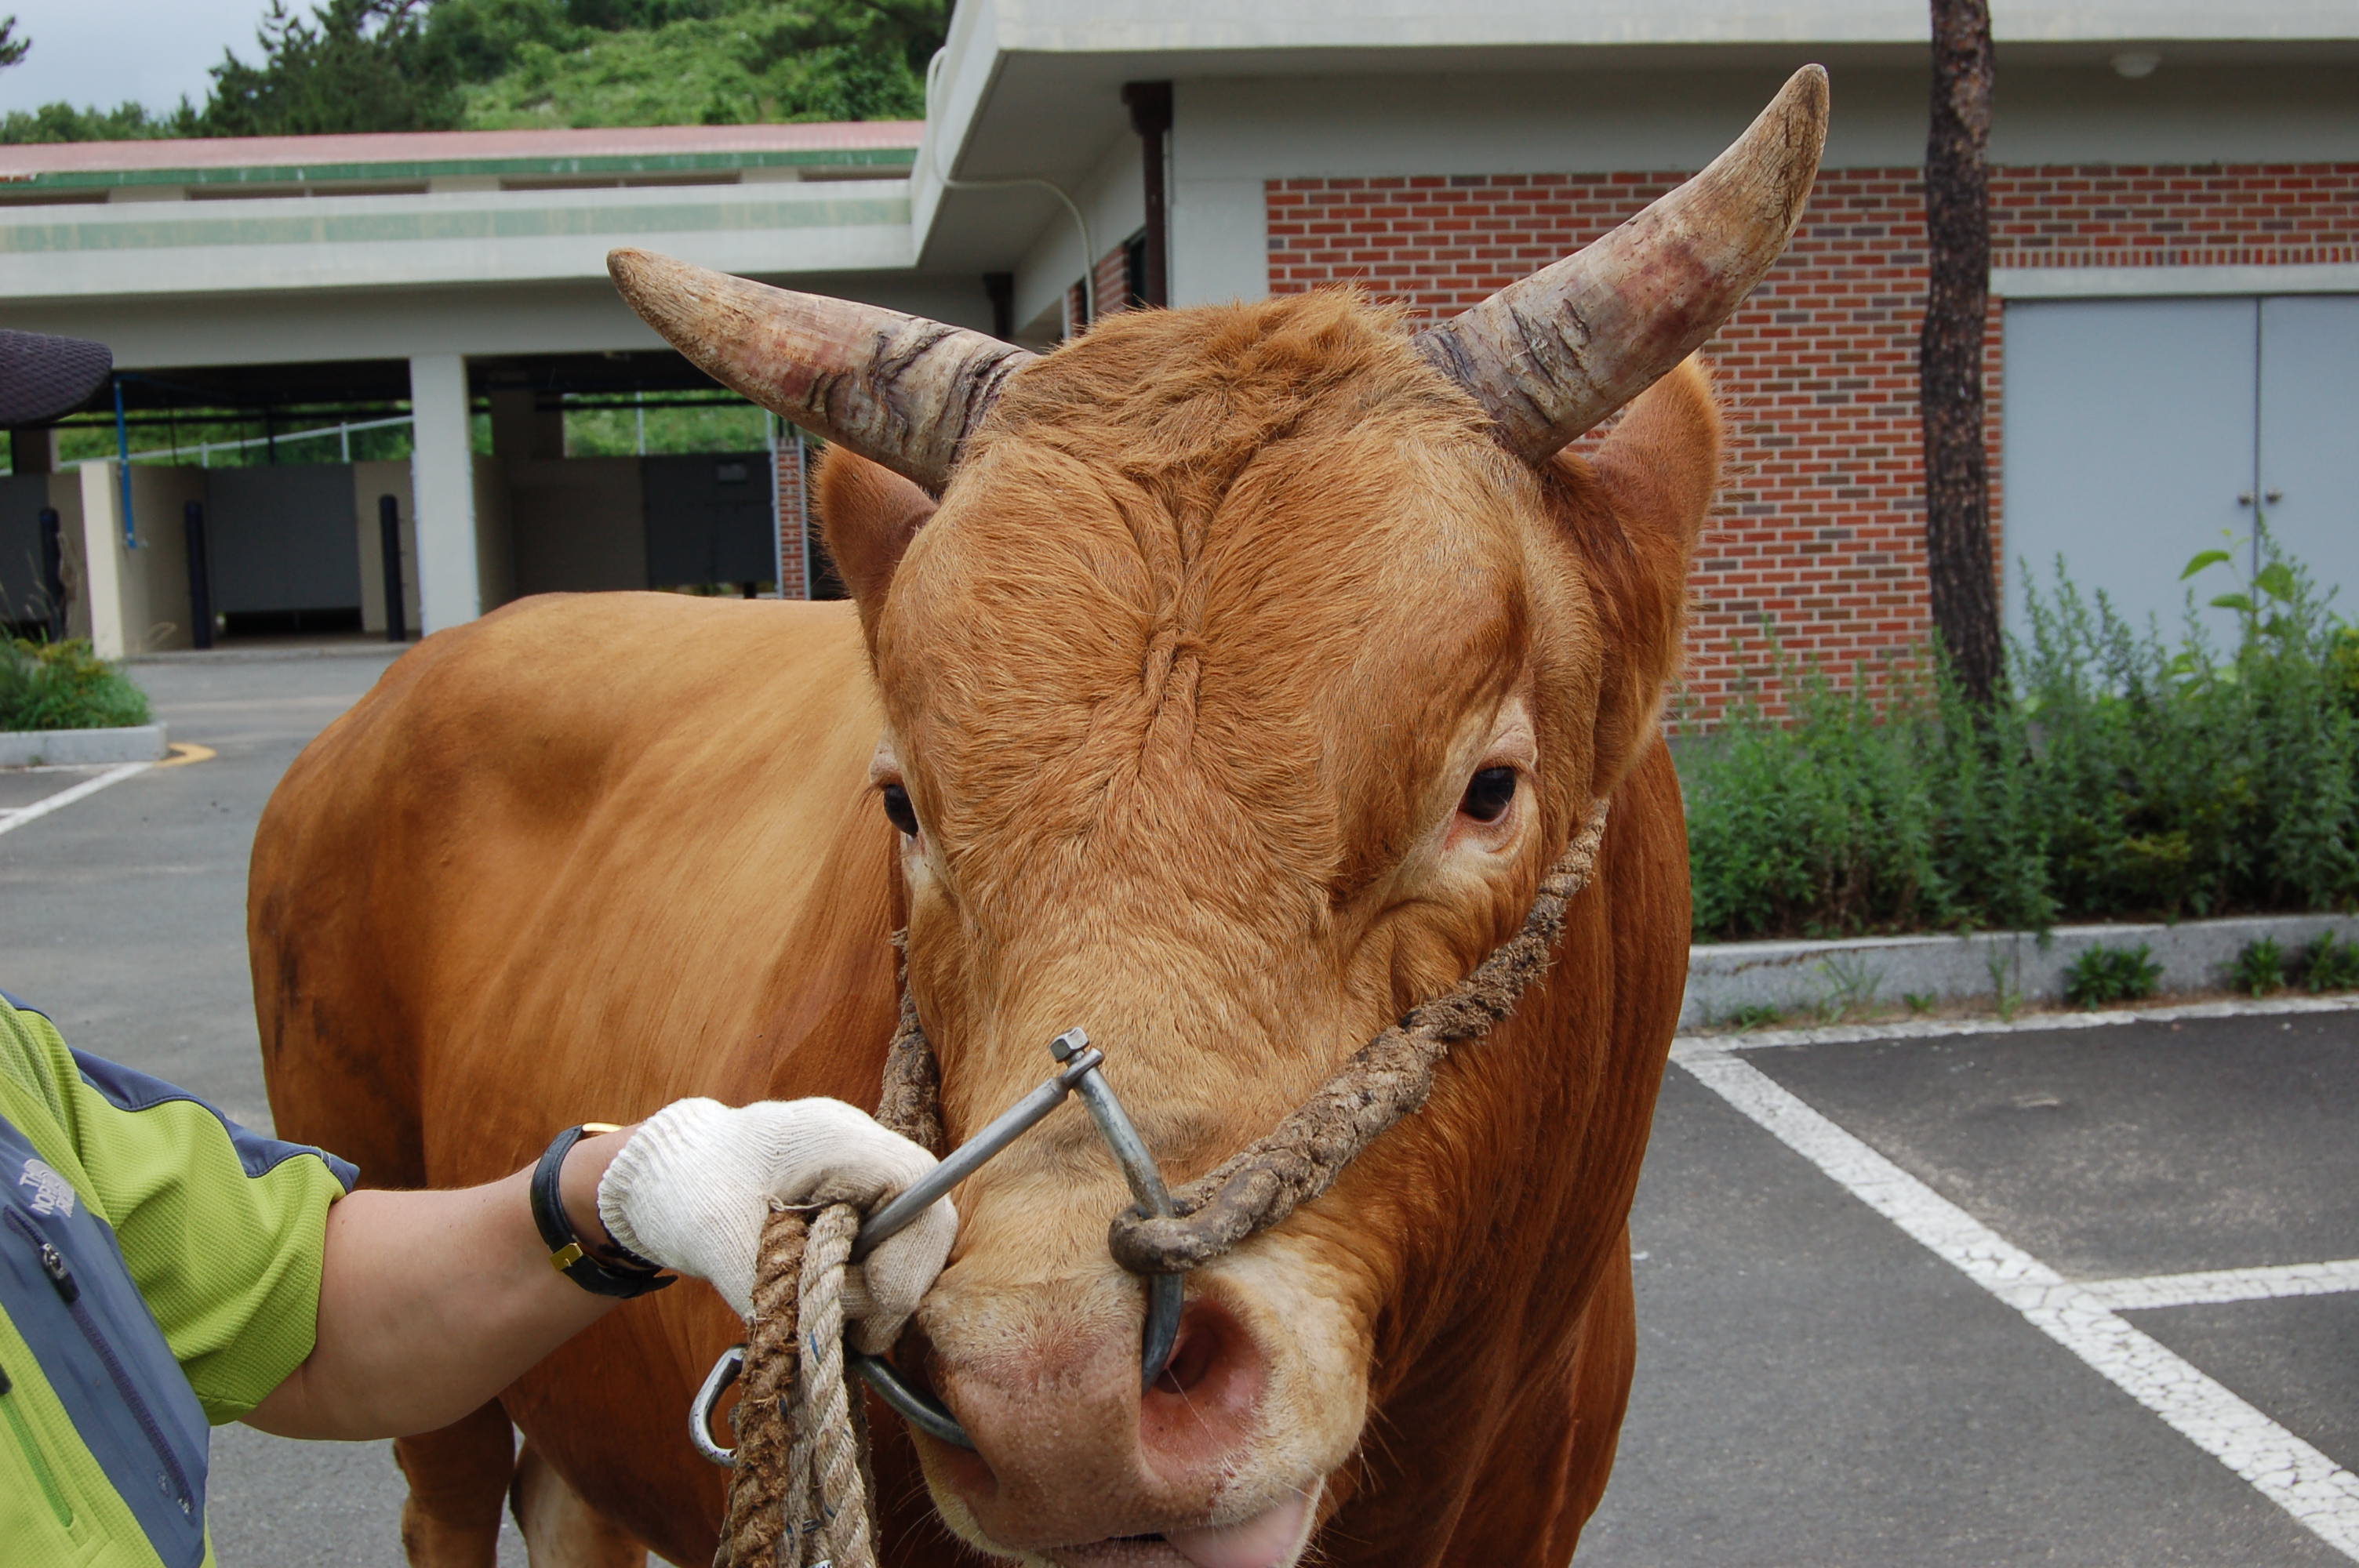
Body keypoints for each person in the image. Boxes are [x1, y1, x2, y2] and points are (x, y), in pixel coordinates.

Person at [0, 332, 954, 1566]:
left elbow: (300, 1299)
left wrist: (618, 1191)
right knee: (453, 1504)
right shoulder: (429, 758)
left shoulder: (15, 1087)